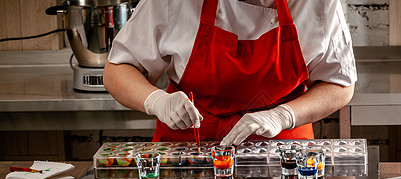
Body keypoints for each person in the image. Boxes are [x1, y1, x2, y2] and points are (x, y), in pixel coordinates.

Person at [103, 0, 357, 146]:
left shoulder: (317, 4)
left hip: (284, 151)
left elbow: (340, 83)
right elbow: (119, 68)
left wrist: (283, 116)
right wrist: (157, 101)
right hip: (189, 149)